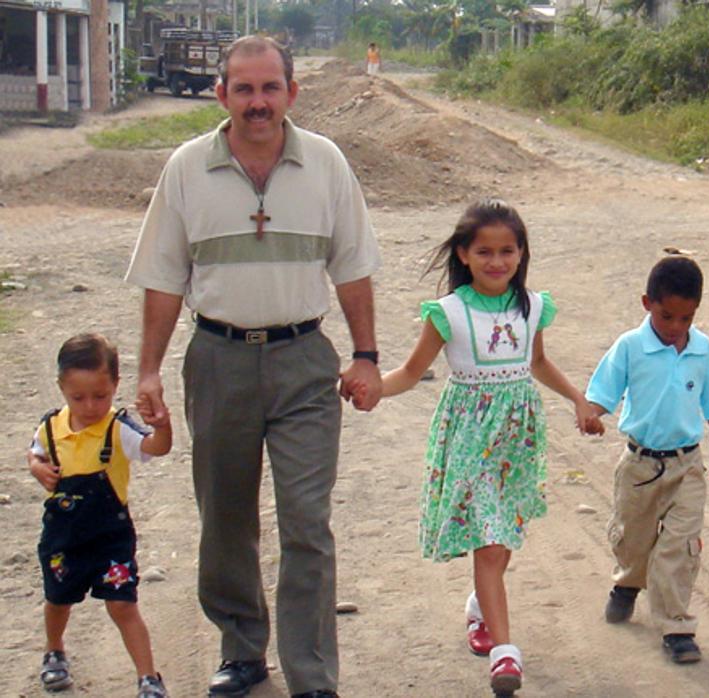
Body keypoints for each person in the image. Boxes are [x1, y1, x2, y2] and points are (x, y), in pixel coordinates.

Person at [125, 35, 381, 698]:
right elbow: (162, 279)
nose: (258, 102)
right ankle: (242, 650)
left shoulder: (326, 164)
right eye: (244, 89)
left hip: (304, 363)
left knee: (305, 519)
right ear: (222, 95)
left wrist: (366, 355)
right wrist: (149, 369)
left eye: (270, 88)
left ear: (292, 93)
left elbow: (353, 270)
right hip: (217, 360)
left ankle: (312, 675)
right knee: (226, 515)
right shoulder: (185, 168)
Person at [375, 199, 600, 695]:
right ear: (463, 253)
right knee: (491, 539)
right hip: (469, 439)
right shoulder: (448, 313)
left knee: (503, 538)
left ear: (521, 254)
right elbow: (412, 372)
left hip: (516, 441)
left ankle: (480, 608)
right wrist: (373, 388)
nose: (496, 262)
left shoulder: (534, 307)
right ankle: (504, 653)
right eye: (484, 252)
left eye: (507, 251)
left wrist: (577, 399)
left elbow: (537, 362)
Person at [585, 256, 709, 665]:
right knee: (634, 539)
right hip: (639, 465)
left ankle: (677, 626)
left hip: (686, 465)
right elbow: (603, 390)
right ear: (646, 303)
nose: (675, 328)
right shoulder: (631, 347)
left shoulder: (702, 348)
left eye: (685, 318)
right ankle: (627, 583)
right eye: (666, 316)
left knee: (679, 547)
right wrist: (592, 414)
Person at [27, 334, 172, 697]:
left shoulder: (117, 429)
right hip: (64, 538)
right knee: (58, 599)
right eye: (79, 397)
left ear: (115, 386)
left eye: (100, 396)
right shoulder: (50, 428)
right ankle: (54, 651)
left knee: (123, 604)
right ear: (61, 388)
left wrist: (162, 424)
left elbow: (156, 448)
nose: (91, 406)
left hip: (110, 538)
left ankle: (148, 677)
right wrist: (36, 467)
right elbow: (36, 452)